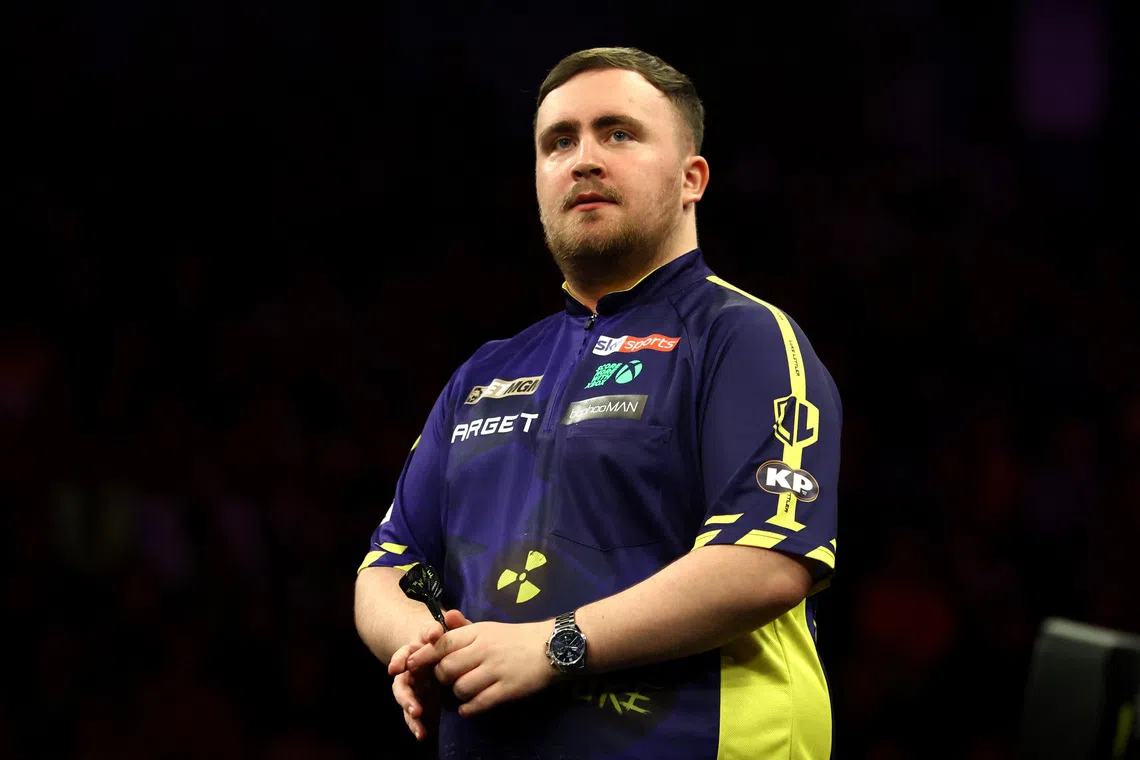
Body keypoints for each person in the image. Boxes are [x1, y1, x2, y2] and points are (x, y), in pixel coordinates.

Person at [354, 46, 842, 760]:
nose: (582, 158)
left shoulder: (744, 337)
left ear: (691, 178)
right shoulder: (486, 372)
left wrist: (554, 645)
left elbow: (766, 560)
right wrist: (419, 644)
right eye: (559, 141)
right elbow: (388, 566)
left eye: (618, 132)